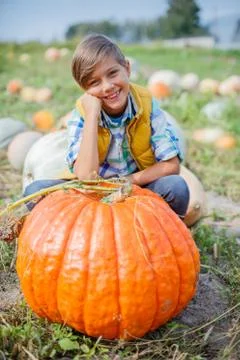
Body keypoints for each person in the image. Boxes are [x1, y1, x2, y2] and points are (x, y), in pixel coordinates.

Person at [24, 33, 189, 219]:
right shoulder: (81, 114)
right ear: (84, 89)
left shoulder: (147, 105)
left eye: (112, 73)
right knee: (34, 192)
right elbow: (86, 176)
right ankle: (82, 232)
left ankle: (164, 236)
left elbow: (171, 165)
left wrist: (129, 181)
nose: (108, 86)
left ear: (126, 68)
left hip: (137, 188)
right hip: (90, 192)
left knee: (176, 187)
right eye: (94, 82)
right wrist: (92, 115)